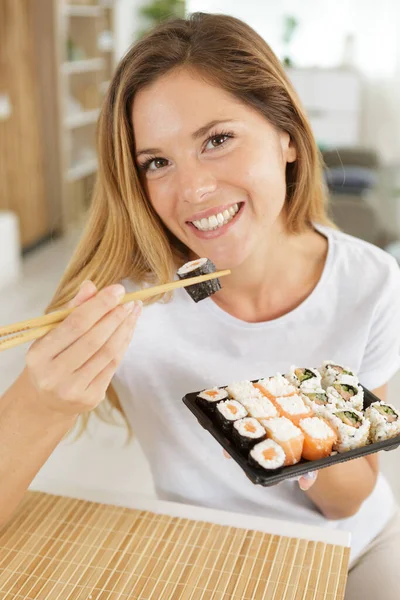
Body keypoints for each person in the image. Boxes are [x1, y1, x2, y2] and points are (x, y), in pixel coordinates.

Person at [1, 13, 400, 599]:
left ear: (287, 135)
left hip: (354, 548)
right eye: (156, 162)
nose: (191, 191)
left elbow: (352, 496)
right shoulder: (128, 299)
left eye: (217, 140)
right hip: (205, 550)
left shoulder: (368, 281)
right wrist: (42, 401)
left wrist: (287, 423)